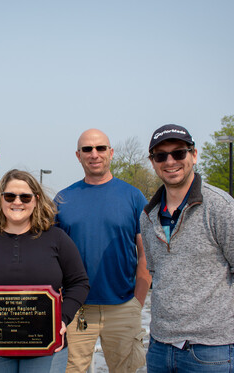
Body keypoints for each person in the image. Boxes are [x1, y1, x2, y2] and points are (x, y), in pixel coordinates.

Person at [140, 124, 234, 372]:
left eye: (179, 153)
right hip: (159, 349)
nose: (170, 161)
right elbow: (158, 274)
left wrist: (216, 320)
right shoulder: (148, 216)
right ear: (153, 162)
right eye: (161, 155)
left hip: (212, 353)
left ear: (194, 155)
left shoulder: (221, 207)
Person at [0, 169, 90, 373]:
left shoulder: (57, 239)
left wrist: (63, 319)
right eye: (10, 196)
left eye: (25, 196)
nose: (17, 202)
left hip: (46, 348)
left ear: (36, 200)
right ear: (1, 199)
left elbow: (79, 283)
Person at [54, 129, 151, 373]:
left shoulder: (133, 197)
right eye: (87, 149)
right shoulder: (63, 200)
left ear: (111, 153)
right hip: (75, 309)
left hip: (122, 306)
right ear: (78, 155)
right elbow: (52, 256)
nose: (94, 154)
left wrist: (137, 302)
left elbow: (146, 254)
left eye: (100, 148)